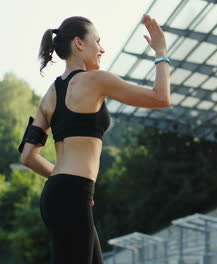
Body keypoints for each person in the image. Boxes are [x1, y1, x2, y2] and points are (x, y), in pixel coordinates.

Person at [18, 14, 170, 264]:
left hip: (58, 194)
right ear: (79, 43)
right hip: (72, 194)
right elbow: (161, 97)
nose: (102, 48)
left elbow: (27, 156)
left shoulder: (48, 95)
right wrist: (161, 51)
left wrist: (62, 181)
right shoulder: (96, 80)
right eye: (97, 41)